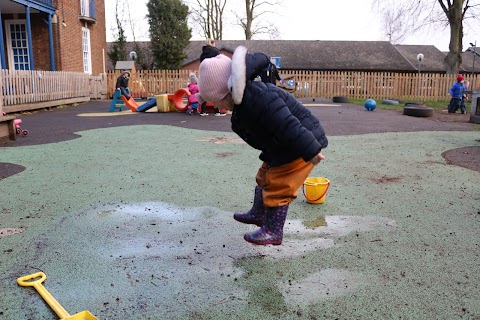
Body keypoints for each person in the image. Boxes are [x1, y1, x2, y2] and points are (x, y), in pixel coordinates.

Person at [196, 46, 328, 246]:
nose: (216, 107)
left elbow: (287, 124)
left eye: (217, 101)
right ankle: (259, 213)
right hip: (282, 146)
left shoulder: (260, 99)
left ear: (231, 89)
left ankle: (274, 231)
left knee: (278, 184)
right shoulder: (243, 105)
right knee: (263, 176)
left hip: (301, 145)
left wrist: (310, 149)